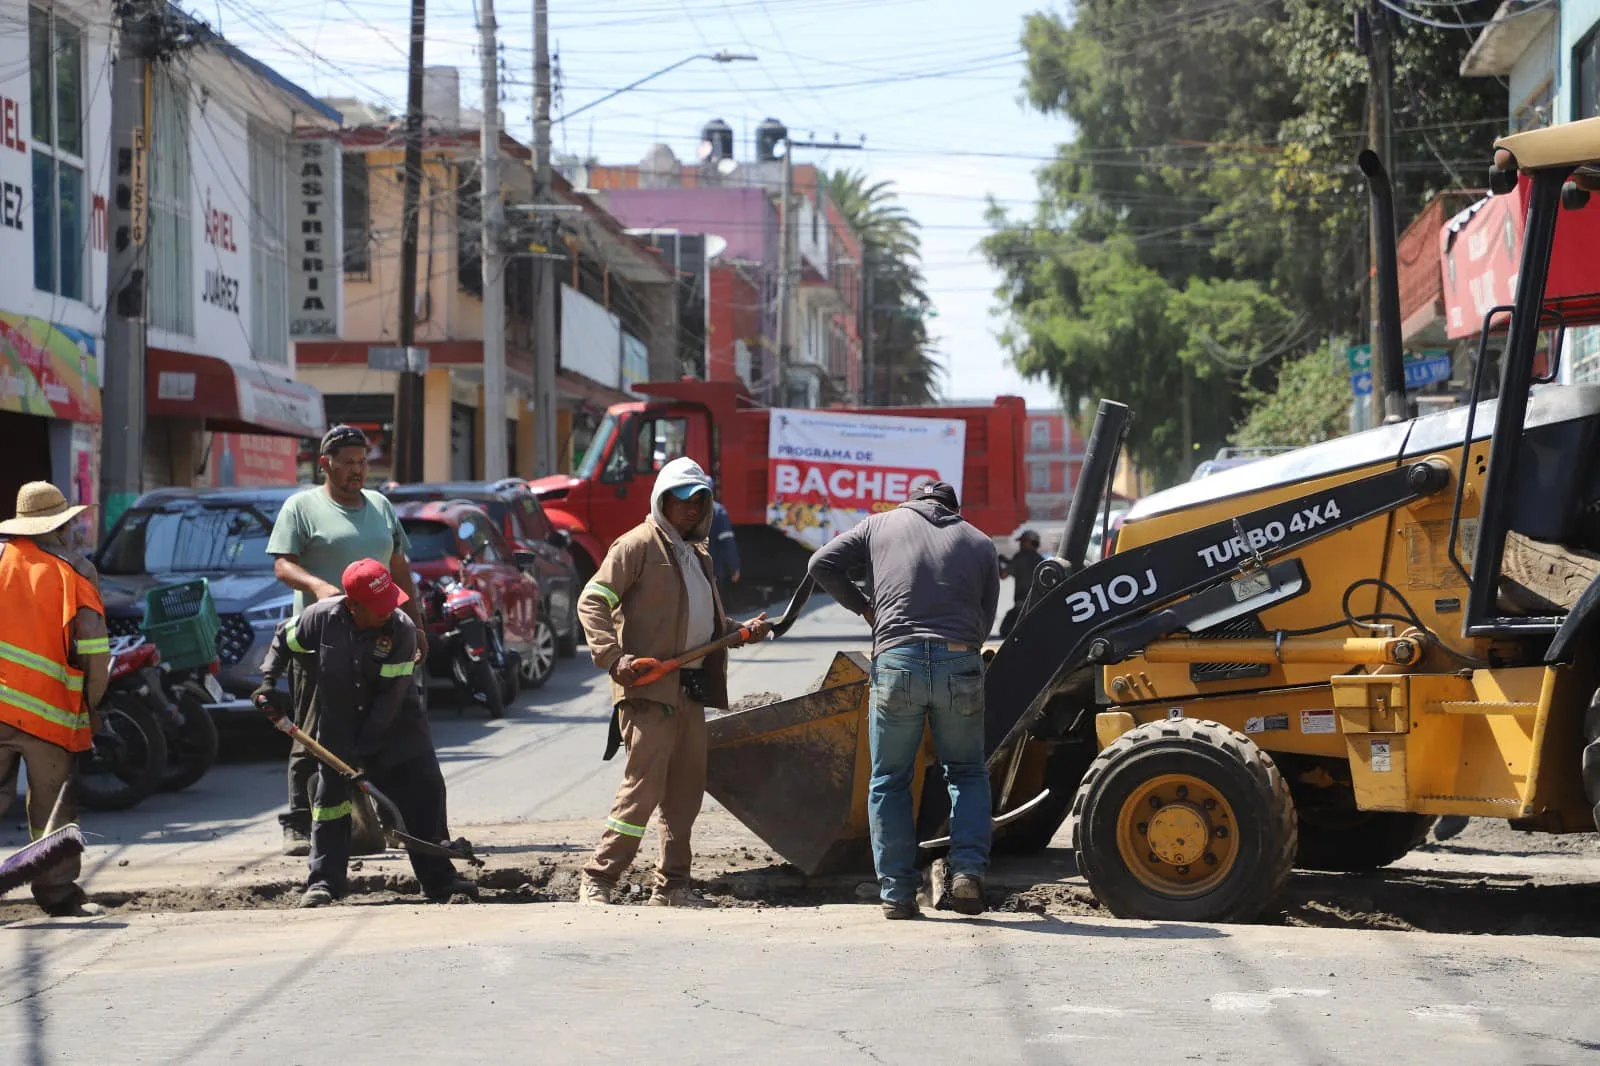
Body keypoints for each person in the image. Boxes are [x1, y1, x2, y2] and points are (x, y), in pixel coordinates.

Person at [576, 457, 771, 907]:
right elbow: (593, 601)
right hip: (650, 689)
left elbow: (704, 624)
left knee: (685, 792)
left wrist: (740, 631)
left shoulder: (697, 556)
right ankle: (600, 878)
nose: (690, 509)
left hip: (689, 689)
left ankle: (673, 885)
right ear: (662, 501)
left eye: (698, 501)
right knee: (643, 788)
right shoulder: (637, 546)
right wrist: (613, 658)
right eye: (681, 500)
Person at [807, 480, 1000, 920]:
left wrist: (866, 608)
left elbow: (822, 564)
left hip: (896, 663)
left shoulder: (878, 525)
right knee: (967, 772)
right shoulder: (980, 542)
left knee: (890, 778)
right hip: (959, 663)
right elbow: (984, 621)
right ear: (952, 509)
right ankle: (968, 871)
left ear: (911, 502)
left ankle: (896, 893)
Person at [253, 559, 473, 908]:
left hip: (399, 732)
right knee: (330, 806)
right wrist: (268, 681)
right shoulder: (320, 618)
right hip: (338, 730)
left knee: (423, 796)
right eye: (379, 606)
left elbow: (389, 700)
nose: (390, 611)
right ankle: (323, 883)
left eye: (391, 602)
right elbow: (284, 637)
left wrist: (363, 754)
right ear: (352, 605)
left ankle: (439, 880)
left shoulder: (400, 629)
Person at [266, 425, 425, 856]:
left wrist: (416, 623)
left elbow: (399, 566)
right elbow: (282, 565)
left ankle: (384, 820)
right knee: (315, 729)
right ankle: (301, 822)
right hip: (322, 640)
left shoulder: (380, 506)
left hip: (381, 637)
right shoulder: (301, 507)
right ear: (325, 465)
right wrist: (317, 586)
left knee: (383, 725)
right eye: (348, 464)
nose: (358, 472)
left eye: (362, 463)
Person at [0, 482, 111, 918]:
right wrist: (93, 705)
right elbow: (94, 652)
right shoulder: (76, 571)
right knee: (52, 807)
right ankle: (59, 895)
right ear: (62, 525)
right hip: (48, 714)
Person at [997, 529, 1044, 638]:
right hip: (1038, 606)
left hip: (1021, 606)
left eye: (1023, 542)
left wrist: (997, 562)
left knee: (1005, 631)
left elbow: (1003, 575)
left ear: (1029, 542)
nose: (1020, 545)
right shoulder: (1040, 560)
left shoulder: (1020, 557)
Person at [709, 496, 741, 597]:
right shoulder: (718, 511)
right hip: (712, 571)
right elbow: (727, 543)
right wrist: (734, 568)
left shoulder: (688, 510)